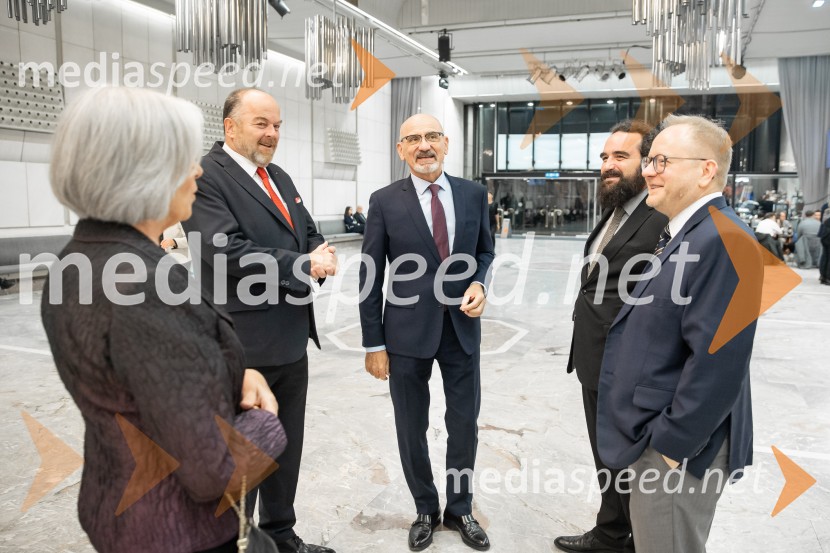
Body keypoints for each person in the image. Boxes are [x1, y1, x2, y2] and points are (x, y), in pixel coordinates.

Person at [41, 86, 286, 553]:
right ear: (143, 172)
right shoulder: (148, 286)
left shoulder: (76, 261)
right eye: (183, 158)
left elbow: (135, 387)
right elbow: (212, 471)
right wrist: (266, 422)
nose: (197, 170)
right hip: (177, 531)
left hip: (118, 509)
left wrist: (236, 372)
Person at [597, 115, 762, 553]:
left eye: (662, 161)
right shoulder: (686, 232)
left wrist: (671, 448)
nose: (648, 170)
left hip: (679, 449)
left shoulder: (726, 241)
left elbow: (719, 363)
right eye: (649, 160)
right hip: (657, 434)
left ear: (706, 170)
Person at [183, 87, 337, 553]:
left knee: (284, 447)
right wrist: (300, 265)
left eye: (276, 125)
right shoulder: (206, 176)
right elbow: (221, 248)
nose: (271, 134)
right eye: (261, 124)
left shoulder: (278, 175)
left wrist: (320, 252)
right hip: (241, 345)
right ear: (230, 126)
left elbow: (307, 231)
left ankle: (281, 534)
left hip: (289, 339)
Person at [359, 114, 495, 551]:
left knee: (464, 425)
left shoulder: (474, 195)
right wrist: (373, 342)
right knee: (410, 426)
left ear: (446, 143)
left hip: (460, 329)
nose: (424, 146)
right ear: (400, 150)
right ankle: (424, 507)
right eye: (413, 139)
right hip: (404, 336)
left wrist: (479, 283)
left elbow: (485, 251)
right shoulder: (383, 201)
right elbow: (370, 275)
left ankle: (460, 508)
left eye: (432, 136)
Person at [556, 120, 667, 553]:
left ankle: (643, 538)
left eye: (621, 156)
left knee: (634, 461)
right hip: (593, 358)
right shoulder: (616, 209)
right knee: (607, 456)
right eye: (604, 157)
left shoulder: (662, 216)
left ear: (649, 162)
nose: (608, 165)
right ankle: (612, 531)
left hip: (631, 365)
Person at [820, 211, 830, 284]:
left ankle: (823, 276)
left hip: (825, 239)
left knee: (825, 258)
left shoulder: (827, 220)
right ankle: (828, 277)